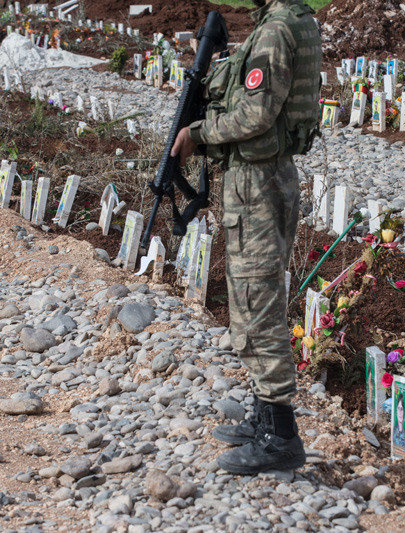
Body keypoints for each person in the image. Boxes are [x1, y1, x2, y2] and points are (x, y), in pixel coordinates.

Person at [170, 0, 322, 474]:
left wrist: (198, 133)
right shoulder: (285, 22)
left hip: (258, 182)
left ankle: (280, 436)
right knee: (253, 297)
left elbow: (254, 115)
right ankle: (263, 417)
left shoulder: (276, 31)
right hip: (260, 179)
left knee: (257, 303)